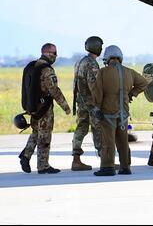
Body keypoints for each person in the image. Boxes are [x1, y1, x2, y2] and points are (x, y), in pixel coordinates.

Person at [91, 45, 148, 176]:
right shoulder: (129, 72)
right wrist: (131, 94)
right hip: (123, 113)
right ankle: (125, 167)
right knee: (123, 141)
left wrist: (97, 108)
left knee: (108, 141)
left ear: (107, 58)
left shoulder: (102, 72)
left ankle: (107, 167)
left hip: (107, 113)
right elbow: (144, 83)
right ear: (120, 58)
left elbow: (97, 92)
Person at [18, 43, 71, 174]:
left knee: (36, 132)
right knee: (45, 137)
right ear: (46, 53)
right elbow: (54, 90)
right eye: (54, 53)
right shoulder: (47, 70)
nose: (56, 56)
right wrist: (65, 106)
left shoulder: (32, 66)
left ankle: (26, 155)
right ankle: (43, 166)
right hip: (44, 109)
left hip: (33, 107)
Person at [71, 36, 103, 171]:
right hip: (91, 103)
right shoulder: (91, 64)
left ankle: (76, 160)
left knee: (81, 129)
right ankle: (105, 161)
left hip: (81, 102)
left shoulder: (80, 61)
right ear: (96, 47)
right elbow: (94, 86)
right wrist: (97, 105)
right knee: (99, 129)